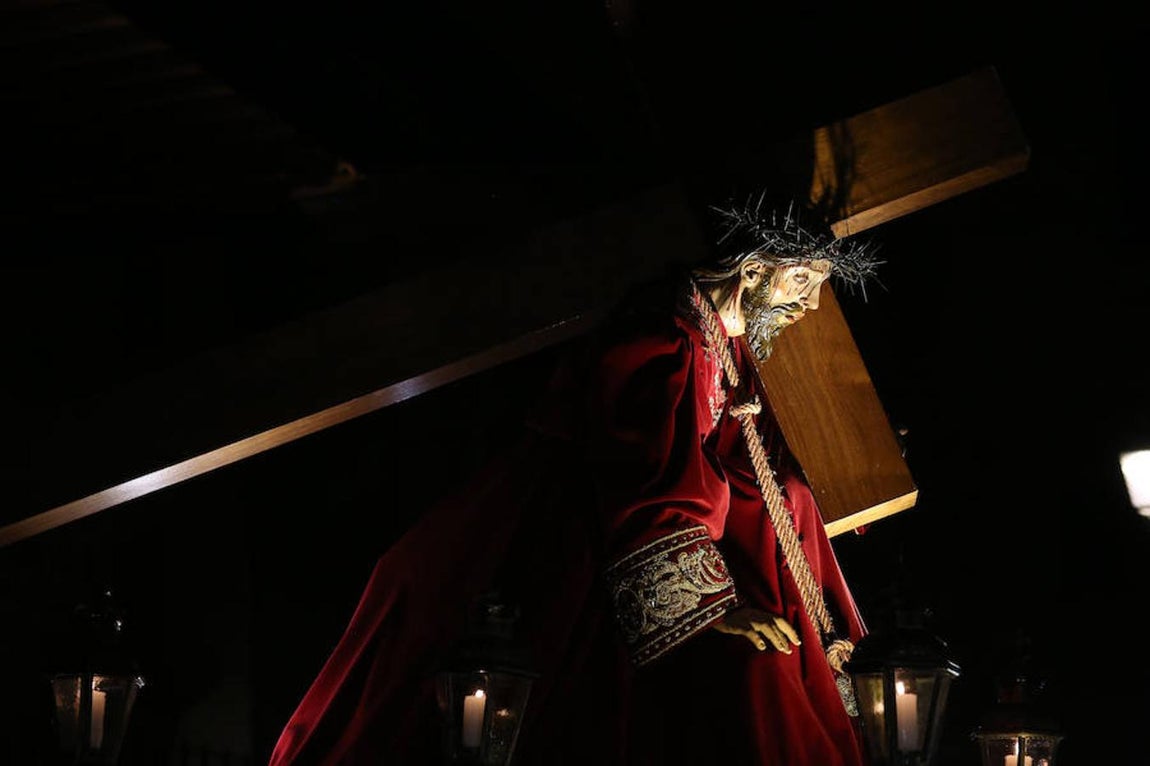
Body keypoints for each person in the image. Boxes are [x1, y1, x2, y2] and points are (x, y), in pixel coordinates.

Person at [267, 196, 881, 765]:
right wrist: (705, 611)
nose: (811, 303)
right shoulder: (662, 341)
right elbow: (645, 472)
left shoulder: (721, 342)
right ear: (752, 269)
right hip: (592, 542)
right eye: (803, 279)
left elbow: (733, 464)